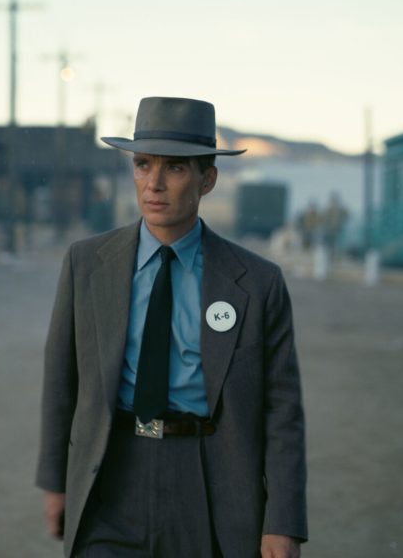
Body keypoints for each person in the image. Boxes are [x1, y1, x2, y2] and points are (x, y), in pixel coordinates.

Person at [36, 97, 307, 558]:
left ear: (208, 179)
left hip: (208, 479)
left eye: (175, 168)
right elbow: (62, 378)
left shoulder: (257, 283)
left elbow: (282, 410)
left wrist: (283, 520)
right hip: (109, 473)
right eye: (143, 165)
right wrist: (55, 481)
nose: (154, 184)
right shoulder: (87, 263)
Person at [321, 192, 348, 260]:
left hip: (337, 230)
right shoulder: (329, 209)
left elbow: (346, 215)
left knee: (336, 244)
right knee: (331, 245)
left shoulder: (340, 209)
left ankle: (336, 256)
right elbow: (324, 218)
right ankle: (332, 256)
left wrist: (341, 222)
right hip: (330, 230)